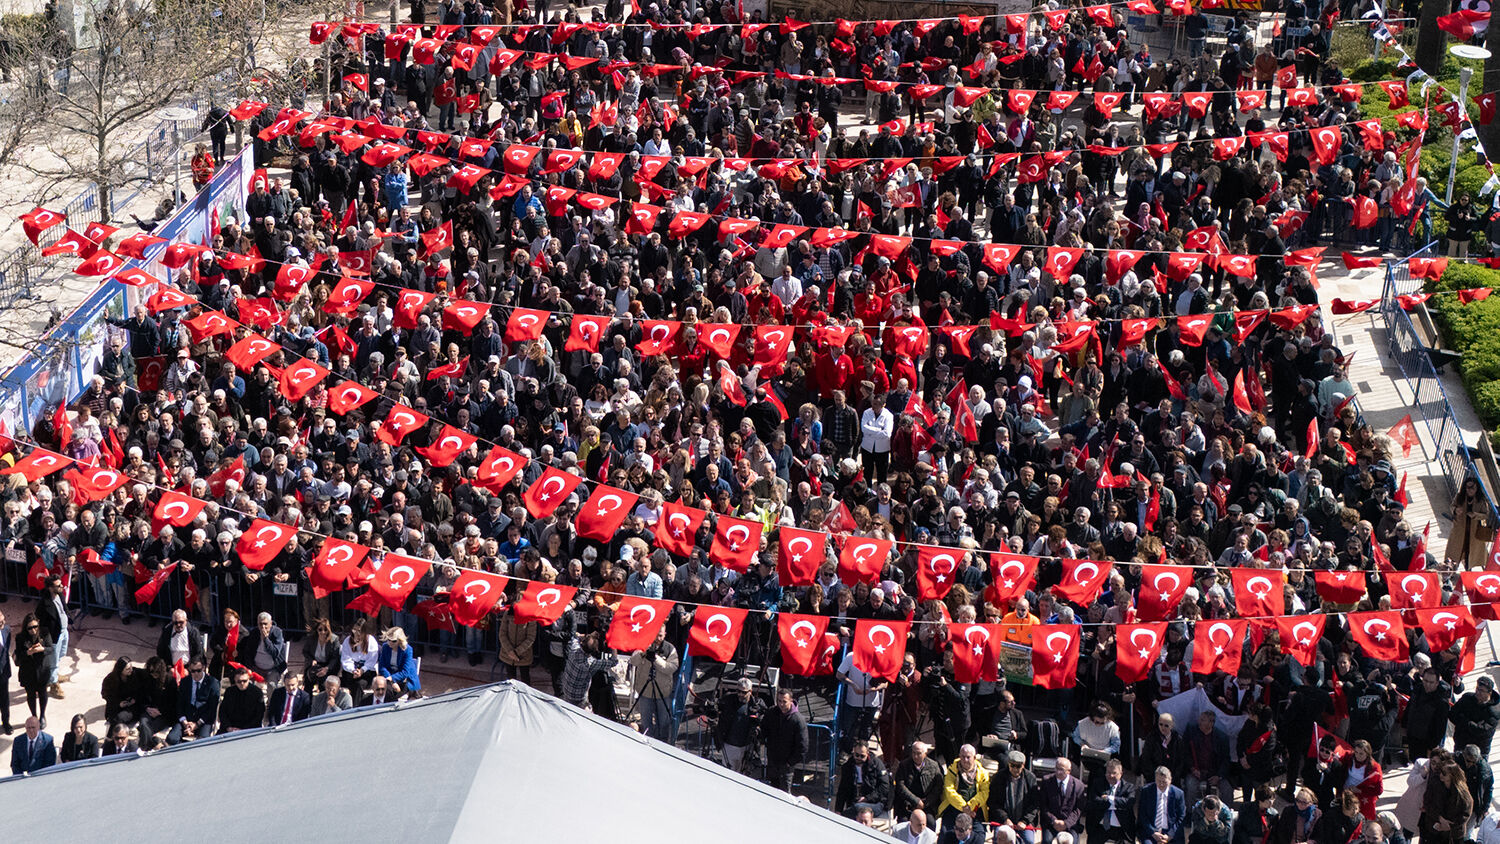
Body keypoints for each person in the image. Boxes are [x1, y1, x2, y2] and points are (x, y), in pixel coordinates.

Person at [628, 626, 678, 741]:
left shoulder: (670, 649)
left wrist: (656, 659)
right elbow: (633, 661)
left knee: (663, 723)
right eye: (656, 636)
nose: (658, 639)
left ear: (665, 634)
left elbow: (672, 667)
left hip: (662, 693)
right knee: (646, 723)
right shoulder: (644, 644)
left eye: (660, 636)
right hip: (645, 692)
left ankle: (663, 744)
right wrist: (642, 653)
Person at [761, 689, 808, 793]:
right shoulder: (772, 712)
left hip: (786, 766)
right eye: (779, 701)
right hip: (773, 761)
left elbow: (803, 746)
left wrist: (790, 762)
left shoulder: (798, 720)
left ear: (791, 701)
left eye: (784, 701)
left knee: (784, 794)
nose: (781, 704)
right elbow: (764, 728)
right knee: (772, 791)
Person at [991, 749, 1042, 844]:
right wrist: (1005, 819)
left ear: (1023, 765)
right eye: (1012, 766)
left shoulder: (1031, 778)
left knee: (1029, 841)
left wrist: (1025, 821)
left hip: (1024, 822)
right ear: (1008, 764)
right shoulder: (998, 777)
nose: (1015, 769)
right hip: (1003, 820)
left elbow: (1035, 804)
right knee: (999, 840)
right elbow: (993, 803)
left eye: (1018, 766)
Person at [13, 612, 54, 727]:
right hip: (28, 671)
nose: (33, 630)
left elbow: (51, 649)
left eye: (35, 627)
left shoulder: (44, 633)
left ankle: (42, 715)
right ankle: (34, 715)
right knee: (30, 695)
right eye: (30, 628)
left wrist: (42, 649)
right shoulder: (20, 637)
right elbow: (19, 655)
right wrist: (28, 652)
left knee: (42, 693)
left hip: (42, 670)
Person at [1087, 757, 1139, 844]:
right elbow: (1094, 801)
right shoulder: (1098, 784)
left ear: (1121, 774)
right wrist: (1117, 804)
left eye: (1114, 773)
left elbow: (1129, 802)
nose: (1110, 776)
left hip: (1121, 830)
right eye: (1108, 772)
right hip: (1100, 828)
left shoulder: (1129, 787)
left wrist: (1109, 798)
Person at [836, 739, 892, 819]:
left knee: (858, 808)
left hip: (875, 803)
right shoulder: (848, 766)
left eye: (862, 756)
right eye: (856, 755)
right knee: (856, 808)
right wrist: (838, 810)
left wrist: (867, 798)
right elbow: (842, 789)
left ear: (867, 753)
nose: (859, 758)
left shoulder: (876, 764)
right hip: (854, 802)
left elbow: (885, 787)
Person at [938, 743, 990, 828]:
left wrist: (970, 806)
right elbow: (949, 790)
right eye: (962, 757)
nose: (965, 760)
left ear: (974, 758)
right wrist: (963, 807)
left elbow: (984, 793)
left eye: (968, 757)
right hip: (954, 807)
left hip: (975, 810)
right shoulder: (952, 770)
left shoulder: (983, 773)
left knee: (978, 836)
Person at [169, 657, 219, 744]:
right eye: (193, 671)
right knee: (171, 738)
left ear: (203, 668)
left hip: (203, 719)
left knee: (203, 742)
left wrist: (197, 724)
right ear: (189, 670)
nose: (196, 674)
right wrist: (184, 722)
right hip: (187, 718)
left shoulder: (213, 683)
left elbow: (212, 708)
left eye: (199, 670)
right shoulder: (185, 682)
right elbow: (179, 704)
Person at [34, 575, 68, 698]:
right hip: (54, 635)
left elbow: (63, 609)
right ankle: (54, 684)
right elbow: (39, 620)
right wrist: (46, 637)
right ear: (49, 588)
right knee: (53, 661)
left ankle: (54, 675)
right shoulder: (44, 603)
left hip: (64, 631)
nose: (61, 587)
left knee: (61, 654)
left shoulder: (60, 595)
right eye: (58, 586)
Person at [1449, 675, 1500, 756]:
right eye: (1477, 689)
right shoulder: (1467, 698)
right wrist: (1471, 725)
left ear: (1489, 693)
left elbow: (1483, 731)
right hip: (1461, 744)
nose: (1478, 692)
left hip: (1479, 751)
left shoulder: (1494, 711)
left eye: (1481, 690)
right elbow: (1452, 714)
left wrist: (1464, 721)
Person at [894, 741, 945, 820]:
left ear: (925, 753)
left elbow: (938, 787)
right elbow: (900, 786)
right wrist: (916, 801)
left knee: (930, 822)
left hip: (927, 804)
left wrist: (926, 802)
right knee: (904, 821)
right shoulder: (904, 765)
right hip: (908, 803)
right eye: (913, 753)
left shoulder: (934, 766)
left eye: (919, 753)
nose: (915, 756)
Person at [1041, 757, 1086, 844]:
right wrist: (1054, 820)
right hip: (1051, 823)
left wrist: (1066, 823)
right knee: (1047, 841)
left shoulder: (1078, 786)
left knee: (1073, 842)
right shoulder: (1047, 781)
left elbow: (1078, 809)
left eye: (1061, 770)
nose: (1058, 772)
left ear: (1069, 771)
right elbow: (1043, 805)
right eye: (1056, 768)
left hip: (1070, 824)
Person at [1138, 766, 1187, 844]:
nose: (1161, 784)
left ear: (1170, 780)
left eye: (1164, 782)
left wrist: (1170, 835)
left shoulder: (1178, 794)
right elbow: (1142, 815)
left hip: (1171, 831)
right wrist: (1153, 832)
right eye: (1158, 781)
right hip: (1151, 831)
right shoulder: (1146, 791)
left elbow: (1181, 817)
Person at [377, 626, 420, 695]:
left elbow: (405, 672)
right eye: (388, 639)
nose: (390, 642)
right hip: (389, 677)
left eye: (393, 641)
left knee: (389, 693)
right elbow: (382, 667)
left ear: (400, 640)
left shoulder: (407, 650)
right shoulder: (385, 647)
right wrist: (391, 681)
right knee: (382, 691)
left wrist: (392, 679)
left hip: (405, 679)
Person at [0, 609, 15, 733]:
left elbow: (6, 649)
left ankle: (6, 723)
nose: (3, 623)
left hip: (3, 672)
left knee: (5, 700)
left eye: (3, 620)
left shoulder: (6, 630)